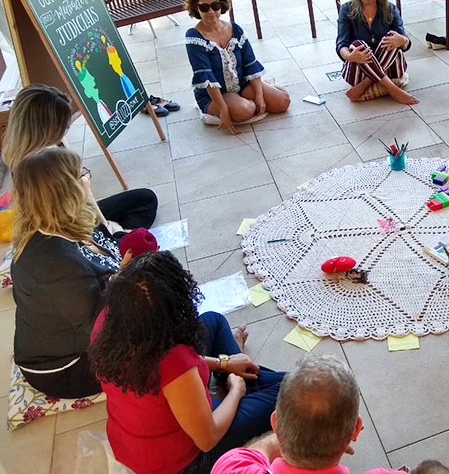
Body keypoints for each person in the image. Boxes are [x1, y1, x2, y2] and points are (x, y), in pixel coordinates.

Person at [89, 250, 284, 474]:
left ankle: (243, 377)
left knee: (213, 320)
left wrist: (225, 363)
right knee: (285, 387)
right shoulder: (174, 362)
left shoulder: (107, 322)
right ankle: (247, 384)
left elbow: (163, 362)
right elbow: (207, 438)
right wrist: (235, 390)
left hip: (132, 443)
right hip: (185, 463)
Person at [11, 148, 124, 399]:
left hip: (67, 336)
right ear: (66, 191)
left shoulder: (51, 228)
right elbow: (100, 326)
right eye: (81, 174)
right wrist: (123, 277)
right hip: (65, 367)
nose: (87, 178)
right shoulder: (59, 265)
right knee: (162, 343)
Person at [1, 84, 158, 236]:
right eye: (62, 125)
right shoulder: (40, 165)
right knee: (138, 210)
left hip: (75, 211)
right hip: (68, 223)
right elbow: (73, 213)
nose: (65, 129)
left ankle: (119, 236)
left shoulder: (39, 144)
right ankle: (119, 239)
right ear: (46, 127)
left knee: (145, 199)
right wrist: (108, 228)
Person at [212, 354, 411, 474]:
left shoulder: (232, 467)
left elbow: (252, 454)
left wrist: (292, 432)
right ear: (356, 429)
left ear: (275, 423)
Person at [185, 0, 290, 136]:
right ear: (196, 8)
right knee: (245, 111)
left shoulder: (235, 29)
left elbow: (250, 63)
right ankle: (232, 102)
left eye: (215, 6)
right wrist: (223, 109)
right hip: (214, 93)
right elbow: (206, 76)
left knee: (283, 102)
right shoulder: (194, 37)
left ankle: (255, 91)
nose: (211, 12)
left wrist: (260, 97)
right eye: (204, 7)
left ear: (222, 6)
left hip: (242, 83)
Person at [335, 0, 418, 105]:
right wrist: (350, 56)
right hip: (358, 71)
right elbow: (341, 43)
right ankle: (393, 89)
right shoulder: (346, 9)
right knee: (357, 45)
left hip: (390, 69)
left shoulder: (390, 9)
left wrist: (402, 40)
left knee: (391, 39)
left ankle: (366, 84)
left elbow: (406, 44)